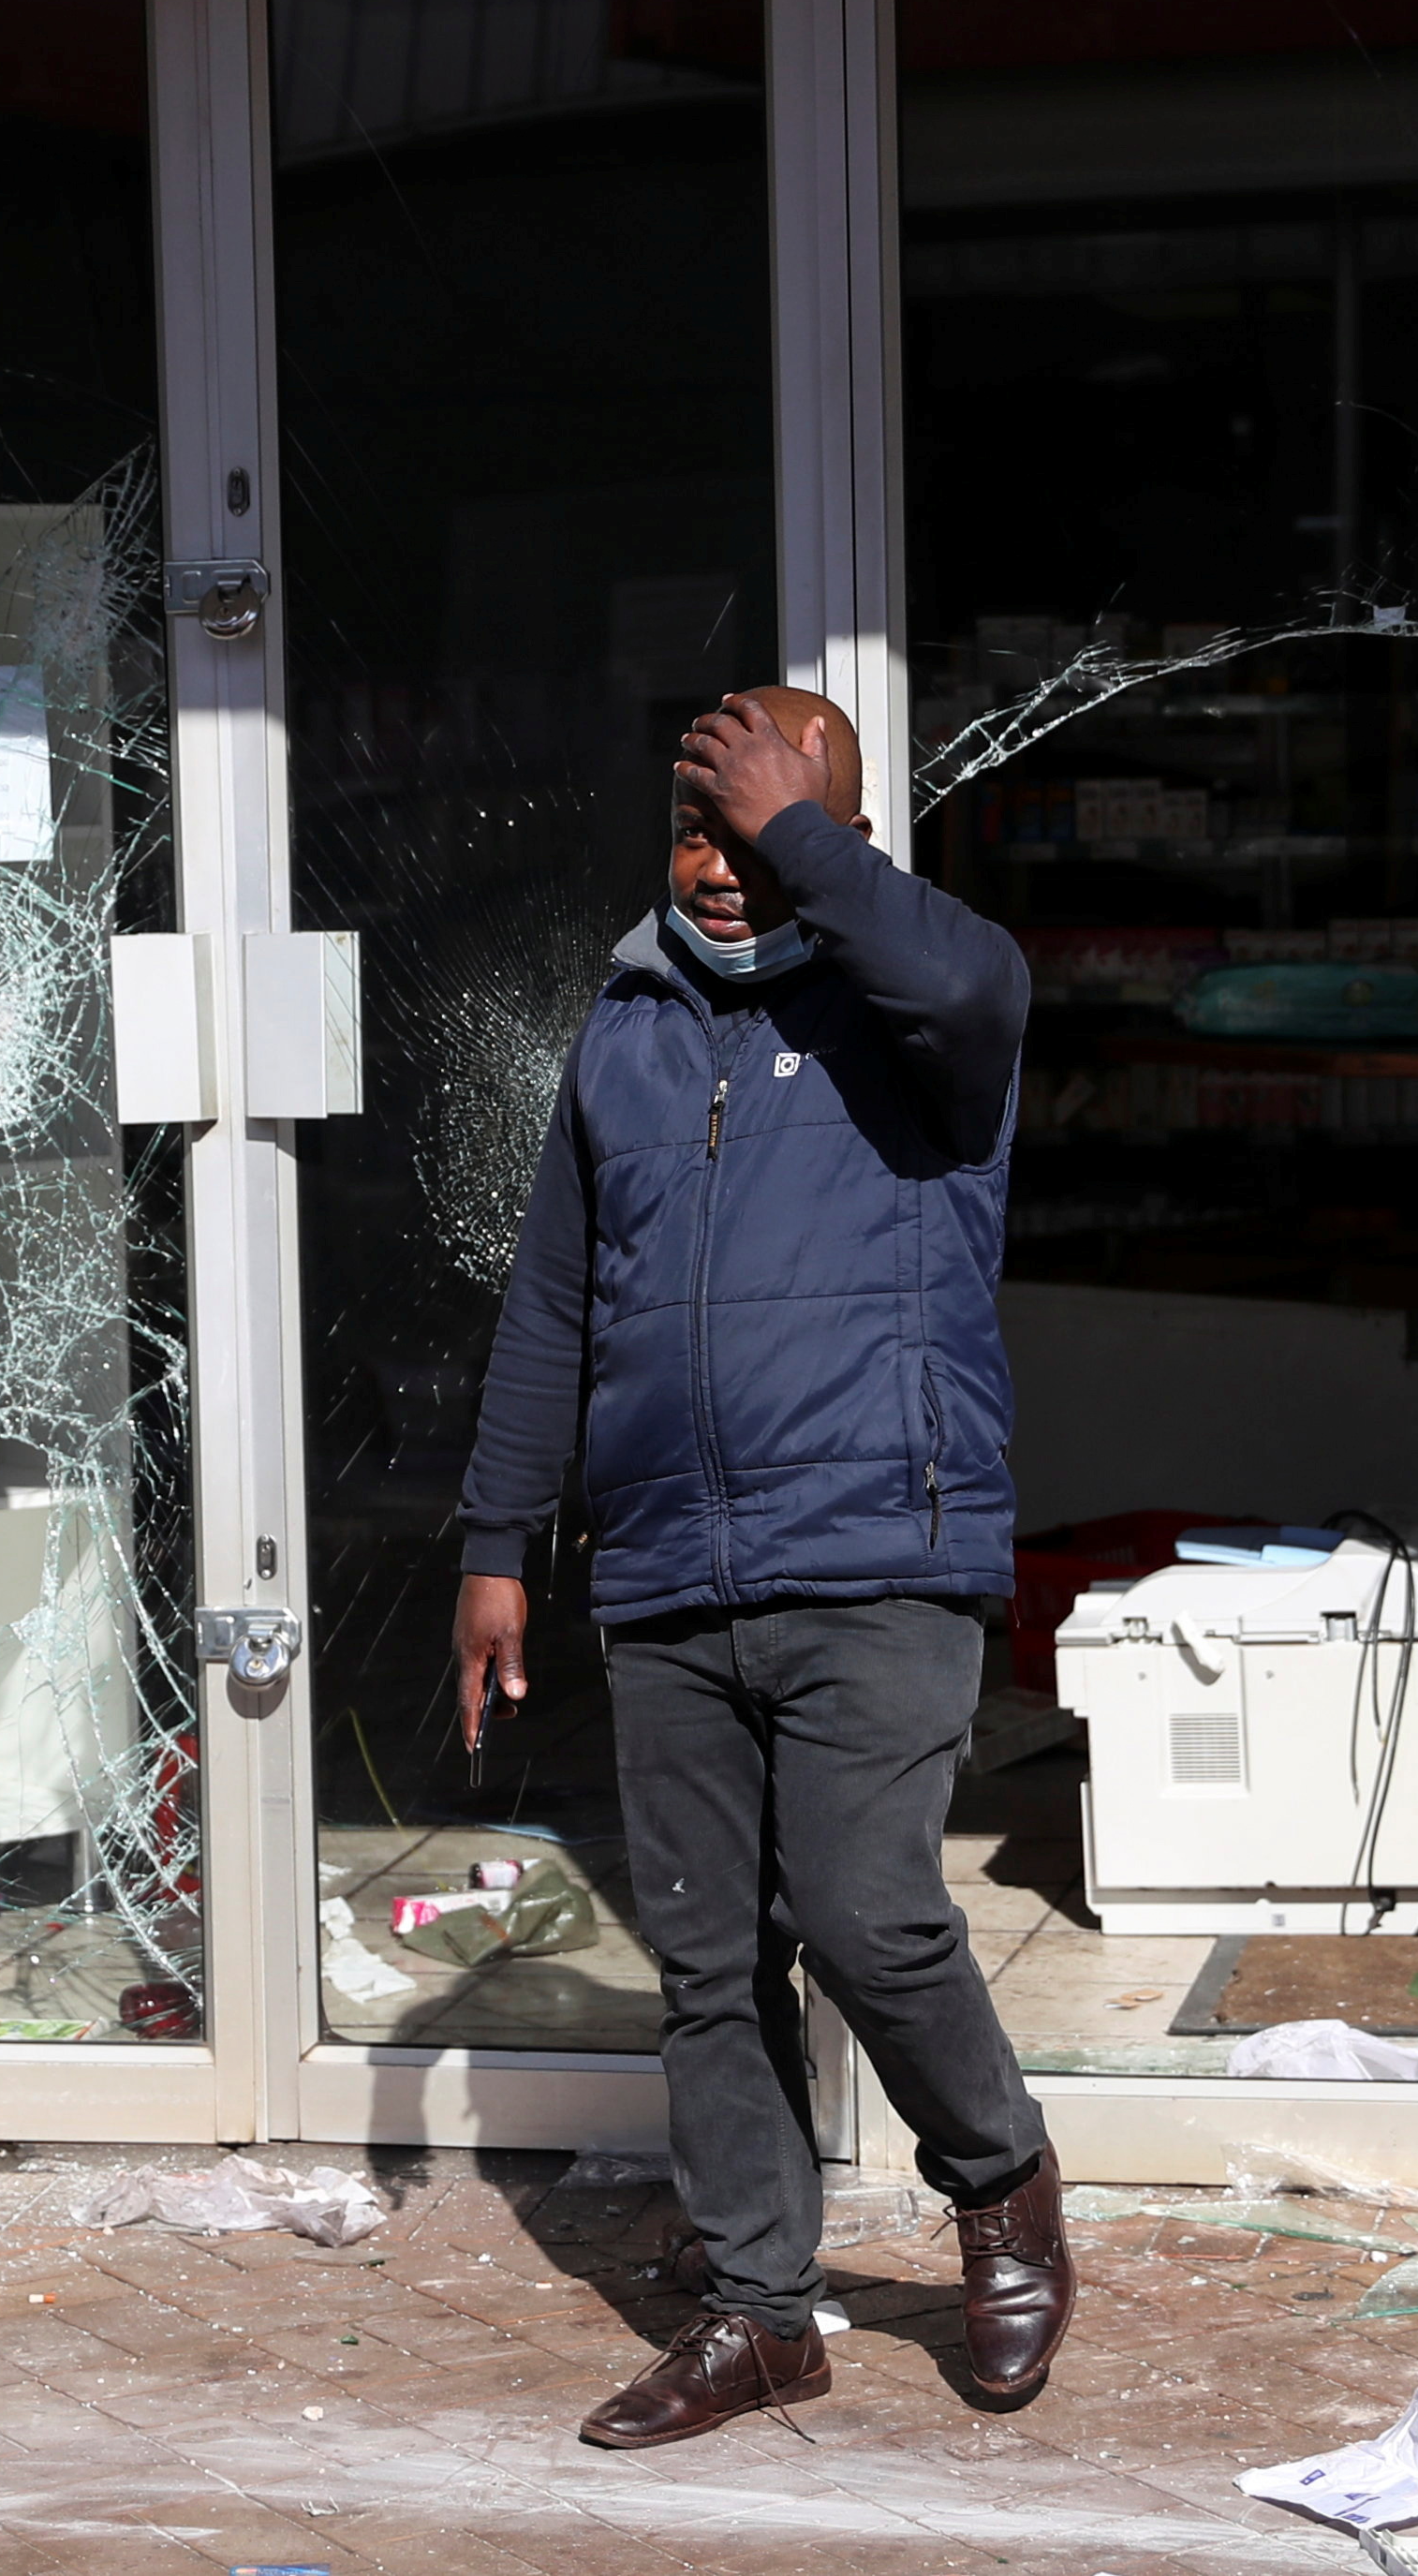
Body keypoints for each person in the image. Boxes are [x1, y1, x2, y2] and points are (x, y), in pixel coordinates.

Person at [454, 684, 1073, 2450]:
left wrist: (795, 826)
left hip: (878, 1545)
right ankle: (759, 2310)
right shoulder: (625, 1027)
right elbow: (554, 1303)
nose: (723, 868)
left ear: (840, 835)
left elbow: (975, 987)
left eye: (761, 830)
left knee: (871, 1914)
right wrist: (497, 1543)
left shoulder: (921, 1006)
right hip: (668, 1566)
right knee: (708, 1958)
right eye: (696, 832)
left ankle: (1002, 2184)